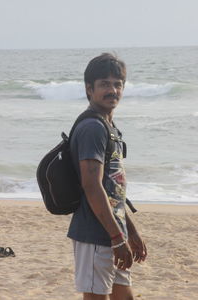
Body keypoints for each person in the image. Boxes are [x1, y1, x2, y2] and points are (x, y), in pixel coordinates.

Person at [67, 53, 147, 300]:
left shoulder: (108, 126)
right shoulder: (92, 128)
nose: (113, 90)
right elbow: (91, 186)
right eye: (104, 84)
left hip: (112, 232)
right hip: (95, 234)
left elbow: (114, 188)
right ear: (89, 89)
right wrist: (116, 238)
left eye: (118, 84)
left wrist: (129, 232)